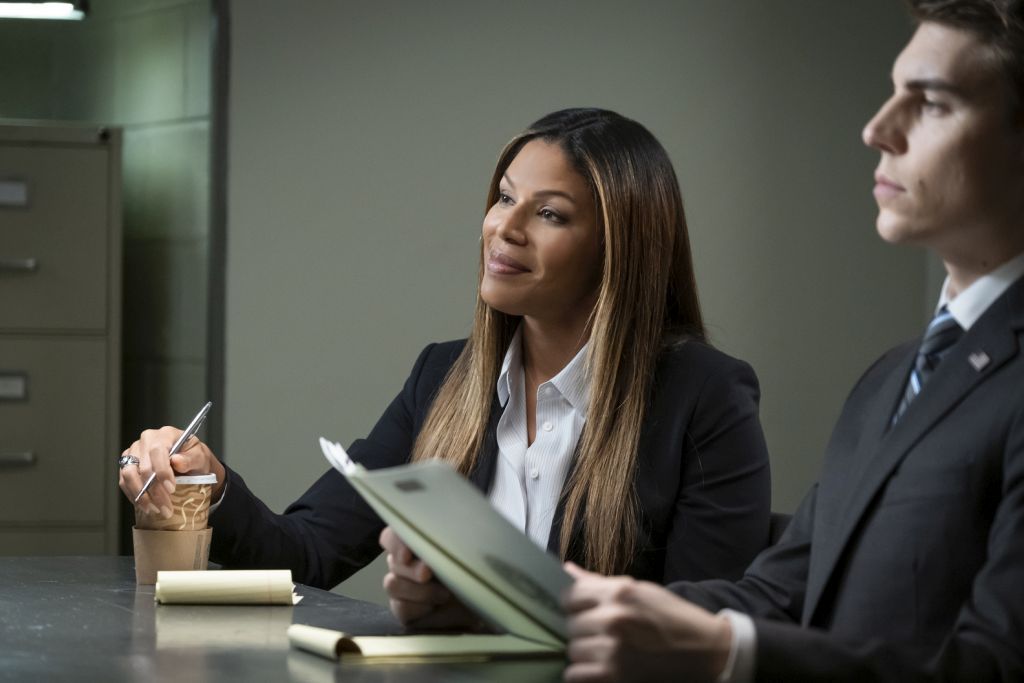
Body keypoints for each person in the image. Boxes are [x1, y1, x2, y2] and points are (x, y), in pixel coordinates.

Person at [118, 108, 771, 627]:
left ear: (620, 250)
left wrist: (484, 613)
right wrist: (209, 480)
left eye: (549, 213)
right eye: (505, 198)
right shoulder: (443, 376)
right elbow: (308, 553)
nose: (505, 228)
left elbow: (699, 631)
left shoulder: (705, 396)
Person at [561, 2, 1024, 681]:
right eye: (892, 92)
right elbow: (777, 595)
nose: (876, 129)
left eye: (931, 103)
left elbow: (998, 668)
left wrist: (726, 654)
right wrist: (554, 607)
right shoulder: (889, 379)